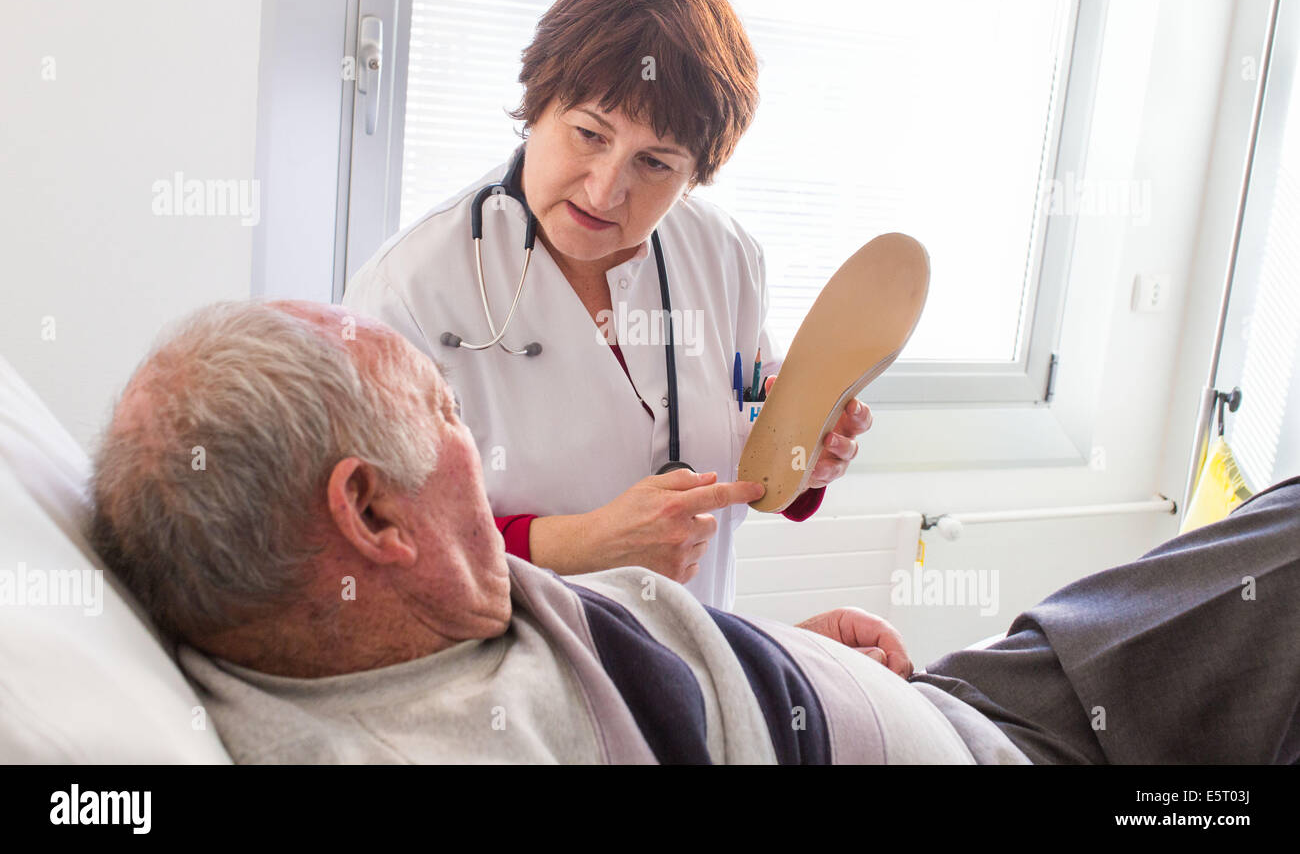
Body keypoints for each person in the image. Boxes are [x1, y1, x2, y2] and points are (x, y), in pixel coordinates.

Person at [88, 301, 1300, 764]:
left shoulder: (341, 617)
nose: (617, 186)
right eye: (449, 416)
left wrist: (764, 663)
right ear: (367, 511)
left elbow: (755, 465)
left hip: (952, 696)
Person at [342, 0, 874, 610]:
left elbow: (750, 407)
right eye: (590, 134)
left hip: (693, 669)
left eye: (655, 163)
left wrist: (806, 451)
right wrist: (579, 544)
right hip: (517, 684)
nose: (605, 188)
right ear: (538, 102)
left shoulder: (726, 257)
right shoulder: (410, 294)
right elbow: (374, 543)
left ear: (695, 176)